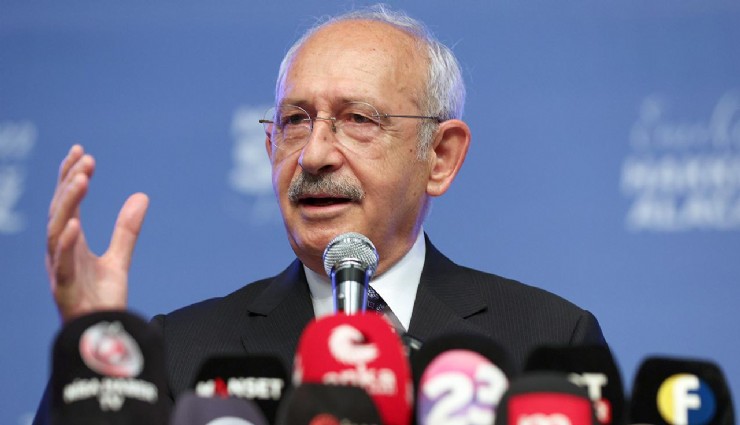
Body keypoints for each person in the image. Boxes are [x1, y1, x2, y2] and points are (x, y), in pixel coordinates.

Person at [42, 4, 606, 410]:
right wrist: (89, 346)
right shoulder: (181, 352)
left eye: (358, 119)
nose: (313, 155)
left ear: (439, 157)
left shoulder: (548, 341)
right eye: (295, 121)